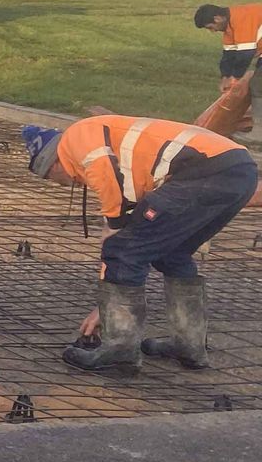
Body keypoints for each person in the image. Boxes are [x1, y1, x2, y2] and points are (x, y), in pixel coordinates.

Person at [21, 115, 256, 376]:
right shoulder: (114, 150)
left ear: (51, 164)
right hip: (238, 171)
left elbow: (104, 174)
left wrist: (113, 224)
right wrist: (105, 305)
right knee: (172, 253)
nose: (66, 184)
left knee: (123, 250)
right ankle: (189, 345)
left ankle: (120, 351)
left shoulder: (75, 139)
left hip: (204, 172)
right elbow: (130, 208)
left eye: (54, 179)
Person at [193, 4, 262, 131]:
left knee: (258, 86)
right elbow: (228, 56)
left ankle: (259, 132)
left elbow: (245, 54)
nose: (213, 31)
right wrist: (225, 76)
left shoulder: (242, 19)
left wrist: (235, 77)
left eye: (211, 27)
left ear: (217, 18)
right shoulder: (230, 26)